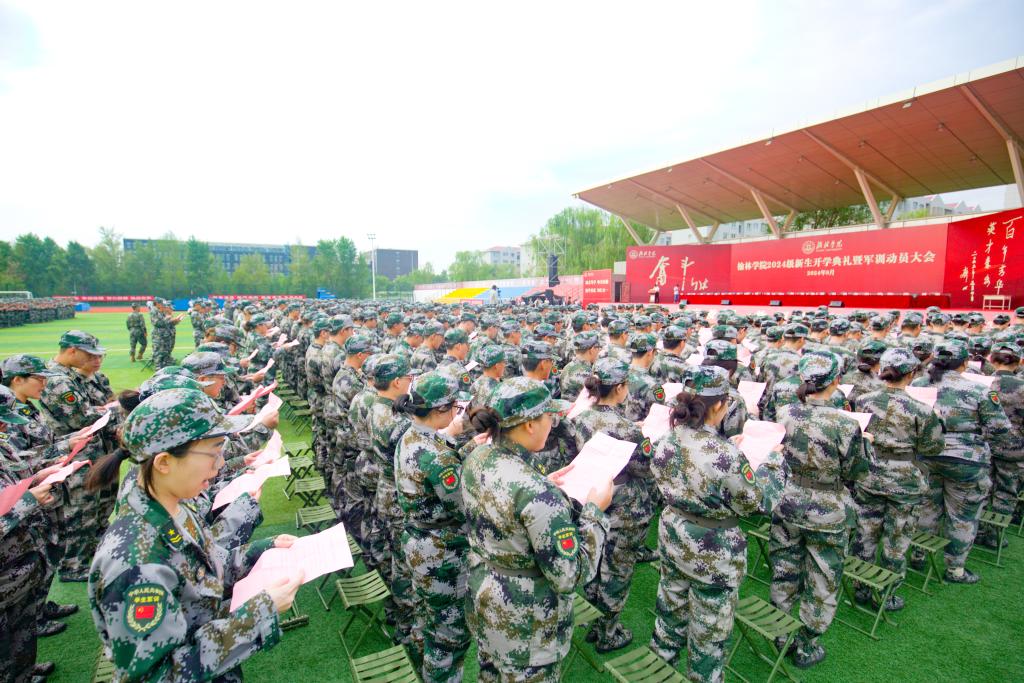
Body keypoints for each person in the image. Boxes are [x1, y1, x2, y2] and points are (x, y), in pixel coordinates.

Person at [86, 388, 302, 681]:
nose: (221, 464)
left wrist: (260, 551)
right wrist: (261, 613)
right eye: (213, 452)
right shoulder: (136, 562)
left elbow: (204, 572)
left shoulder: (175, 506)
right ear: (164, 462)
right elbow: (160, 675)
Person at [463, 377, 612, 682]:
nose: (551, 423)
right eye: (548, 417)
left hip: (486, 597)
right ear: (530, 425)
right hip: (526, 622)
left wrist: (543, 485)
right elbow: (569, 575)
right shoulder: (537, 493)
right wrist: (595, 512)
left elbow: (504, 500)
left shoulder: (478, 456)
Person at [649, 366, 785, 682]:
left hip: (674, 534)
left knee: (669, 614)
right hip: (714, 550)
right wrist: (773, 463)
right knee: (709, 634)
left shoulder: (666, 439)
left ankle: (660, 668)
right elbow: (757, 504)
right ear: (721, 405)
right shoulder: (726, 455)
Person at [770, 352, 871, 668]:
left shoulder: (785, 413)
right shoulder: (845, 423)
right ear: (836, 381)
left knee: (785, 568)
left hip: (787, 501)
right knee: (823, 578)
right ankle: (806, 643)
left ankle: (780, 633)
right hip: (827, 509)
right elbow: (856, 471)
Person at [910, 341, 1016, 583]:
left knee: (927, 507)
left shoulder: (918, 384)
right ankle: (955, 569)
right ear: (965, 363)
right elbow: (1000, 427)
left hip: (926, 455)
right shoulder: (978, 389)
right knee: (963, 516)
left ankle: (918, 554)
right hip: (966, 460)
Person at [571, 358, 655, 653]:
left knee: (594, 559)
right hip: (623, 505)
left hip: (590, 496)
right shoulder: (627, 429)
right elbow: (644, 468)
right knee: (617, 570)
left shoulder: (580, 417)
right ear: (619, 388)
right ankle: (608, 632)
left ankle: (594, 620)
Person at [850, 348, 943, 610]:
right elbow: (933, 447)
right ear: (911, 374)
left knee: (865, 532)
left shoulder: (864, 400)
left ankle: (860, 586)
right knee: (897, 539)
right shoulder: (921, 409)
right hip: (905, 480)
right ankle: (886, 594)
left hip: (869, 474)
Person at [395, 372, 471, 683]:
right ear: (440, 409)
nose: (458, 412)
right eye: (455, 406)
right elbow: (463, 507)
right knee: (449, 638)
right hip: (442, 553)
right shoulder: (437, 456)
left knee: (432, 622)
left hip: (420, 542)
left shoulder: (412, 435)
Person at [0, 387, 65, 683]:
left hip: (18, 564)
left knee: (22, 634)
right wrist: (29, 500)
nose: (5, 426)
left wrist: (35, 478)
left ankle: (22, 674)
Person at [976, 342, 1024, 549]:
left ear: (992, 359)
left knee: (981, 489)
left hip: (983, 444)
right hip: (1014, 449)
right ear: (1019, 362)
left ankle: (976, 530)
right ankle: (994, 536)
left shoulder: (980, 384)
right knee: (1006, 492)